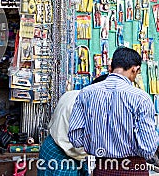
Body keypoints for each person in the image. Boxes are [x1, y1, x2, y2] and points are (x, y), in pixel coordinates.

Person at [68, 47, 159, 175]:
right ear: (135, 69)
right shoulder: (141, 98)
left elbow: (76, 138)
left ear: (111, 67)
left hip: (102, 168)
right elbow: (148, 149)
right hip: (134, 169)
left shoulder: (86, 93)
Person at [38, 74, 108, 176]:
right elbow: (78, 147)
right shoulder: (89, 107)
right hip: (63, 155)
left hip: (51, 147)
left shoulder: (71, 94)